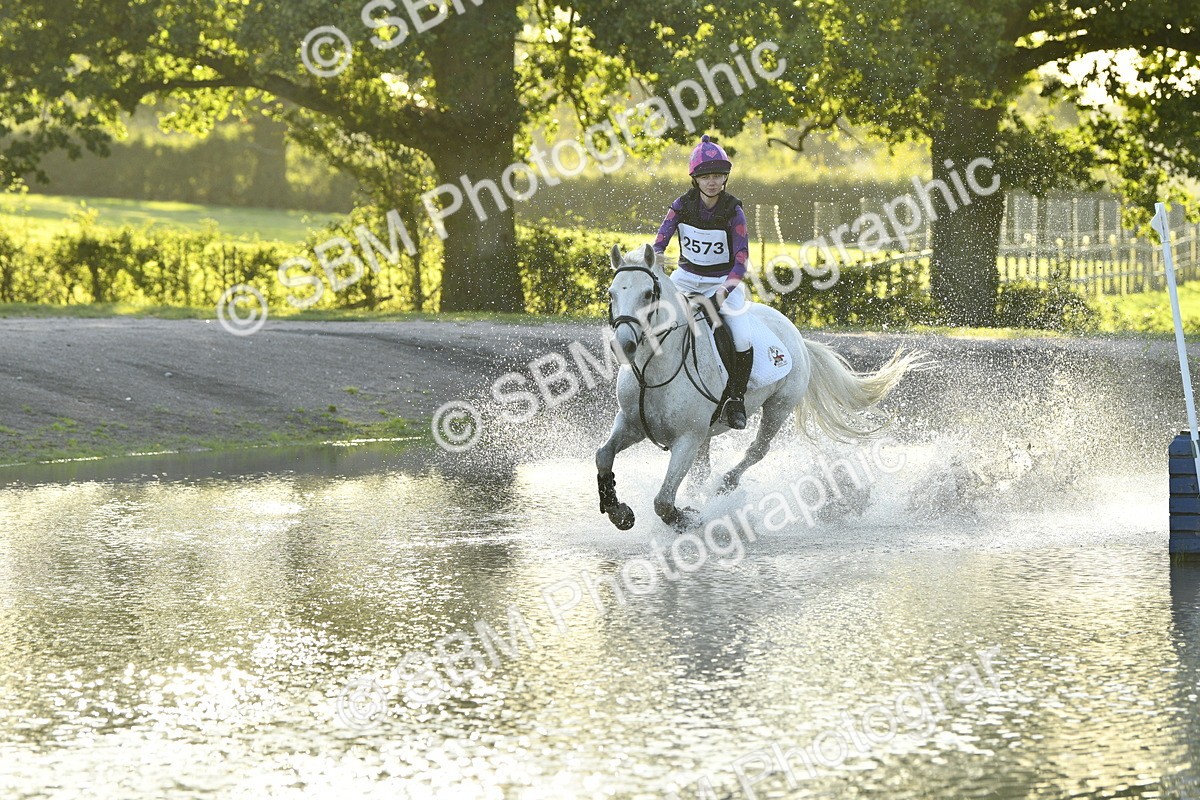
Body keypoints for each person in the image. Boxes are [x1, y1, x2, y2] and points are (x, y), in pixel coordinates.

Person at [652, 134, 754, 429]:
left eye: (718, 176)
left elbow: (741, 262)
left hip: (721, 281)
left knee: (742, 337)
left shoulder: (734, 211)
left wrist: (720, 295)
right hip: (684, 279)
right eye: (706, 177)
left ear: (725, 178)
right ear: (695, 179)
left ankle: (735, 399)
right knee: (655, 321)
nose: (712, 182)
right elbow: (658, 245)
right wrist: (654, 265)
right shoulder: (680, 206)